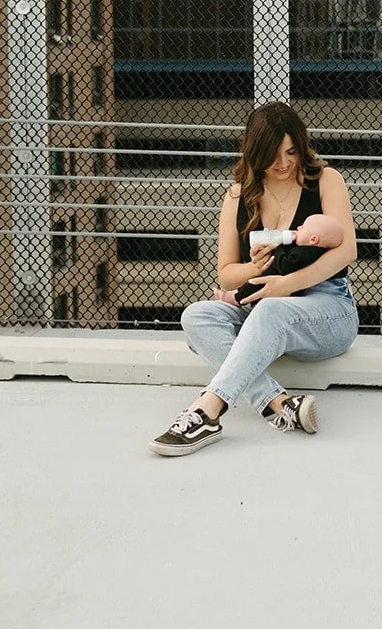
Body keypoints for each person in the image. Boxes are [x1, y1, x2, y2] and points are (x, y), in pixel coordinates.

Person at [150, 102, 360, 456]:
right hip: (260, 302)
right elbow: (227, 272)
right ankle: (278, 405)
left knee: (272, 310)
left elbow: (347, 251)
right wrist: (255, 269)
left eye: (291, 152)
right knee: (196, 316)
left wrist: (287, 285)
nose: (283, 163)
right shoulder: (237, 195)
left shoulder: (326, 180)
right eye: (273, 155)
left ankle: (207, 410)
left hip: (328, 309)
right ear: (254, 152)